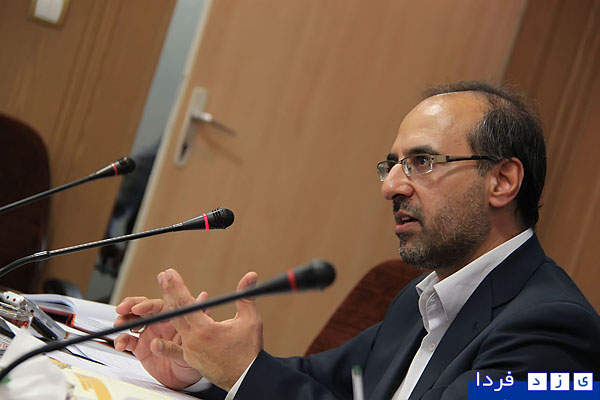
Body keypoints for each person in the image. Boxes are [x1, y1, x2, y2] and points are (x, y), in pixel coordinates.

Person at [113, 81, 600, 399]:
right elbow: (322, 384)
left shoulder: (554, 331)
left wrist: (243, 373)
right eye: (392, 165)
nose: (391, 187)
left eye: (422, 162)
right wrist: (203, 366)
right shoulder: (423, 300)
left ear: (502, 181)